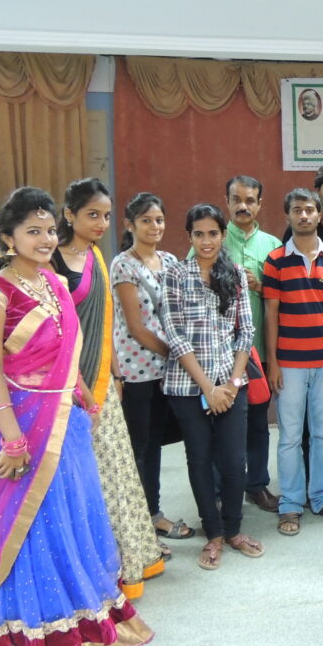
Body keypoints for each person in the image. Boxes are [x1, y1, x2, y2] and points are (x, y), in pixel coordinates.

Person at [0, 187, 152, 646]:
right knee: (35, 523)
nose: (45, 240)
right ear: (8, 238)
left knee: (75, 515)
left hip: (68, 421)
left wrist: (84, 394)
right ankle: (37, 630)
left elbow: (68, 349)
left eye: (48, 230)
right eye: (32, 232)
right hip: (21, 423)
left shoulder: (54, 282)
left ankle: (82, 614)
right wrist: (12, 439)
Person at [51, 177, 163, 598]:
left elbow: (107, 322)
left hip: (103, 382)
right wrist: (79, 382)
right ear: (69, 215)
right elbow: (59, 330)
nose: (101, 223)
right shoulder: (53, 262)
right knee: (83, 479)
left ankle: (127, 558)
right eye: (91, 215)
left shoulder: (96, 255)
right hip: (67, 386)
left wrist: (115, 373)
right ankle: (90, 564)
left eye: (105, 215)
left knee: (116, 475)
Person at [161, 203, 264, 570]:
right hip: (188, 388)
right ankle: (214, 534)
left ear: (223, 235)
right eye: (199, 234)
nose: (206, 241)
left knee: (235, 461)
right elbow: (173, 334)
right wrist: (208, 388)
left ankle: (233, 530)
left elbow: (246, 331)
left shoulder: (234, 274)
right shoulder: (175, 274)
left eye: (213, 234)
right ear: (189, 236)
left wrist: (232, 384)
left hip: (231, 385)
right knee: (200, 461)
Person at [263, 188, 323, 536]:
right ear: (287, 216)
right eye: (297, 210)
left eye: (309, 209)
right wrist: (273, 362)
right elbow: (271, 313)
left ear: (318, 215)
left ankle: (322, 496)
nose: (303, 215)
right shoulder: (276, 261)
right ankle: (290, 502)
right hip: (289, 363)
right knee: (289, 436)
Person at [111, 192, 194, 551]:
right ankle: (138, 525)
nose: (154, 226)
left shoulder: (171, 261)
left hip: (167, 370)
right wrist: (178, 354)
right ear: (130, 224)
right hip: (137, 370)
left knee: (155, 443)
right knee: (139, 448)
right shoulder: (123, 265)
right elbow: (137, 327)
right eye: (146, 220)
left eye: (159, 220)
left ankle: (153, 513)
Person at [220, 175, 281, 513]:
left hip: (258, 351)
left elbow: (284, 295)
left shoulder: (272, 245)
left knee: (258, 424)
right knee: (221, 425)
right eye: (236, 199)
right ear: (227, 202)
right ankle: (220, 489)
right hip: (221, 354)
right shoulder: (213, 238)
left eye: (250, 200)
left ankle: (256, 486)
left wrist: (259, 287)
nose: (242, 206)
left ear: (260, 204)